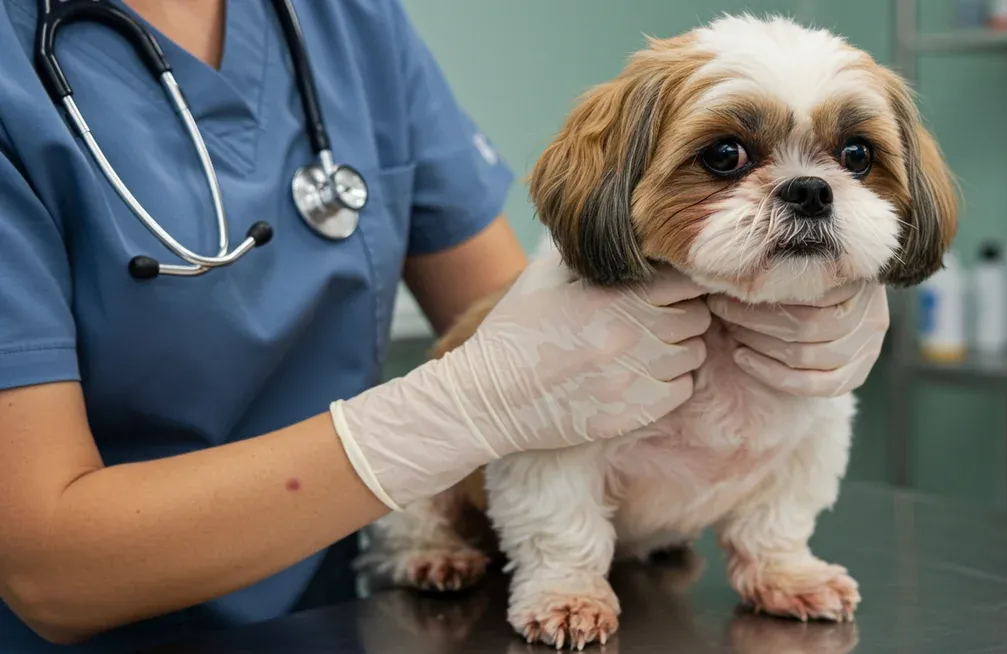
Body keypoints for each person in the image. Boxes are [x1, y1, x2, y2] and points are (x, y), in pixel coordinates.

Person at [0, 1, 889, 651]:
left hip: (355, 617)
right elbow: (46, 571)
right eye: (728, 158)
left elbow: (543, 332)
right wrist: (459, 412)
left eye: (853, 158)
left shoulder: (343, 21)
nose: (806, 183)